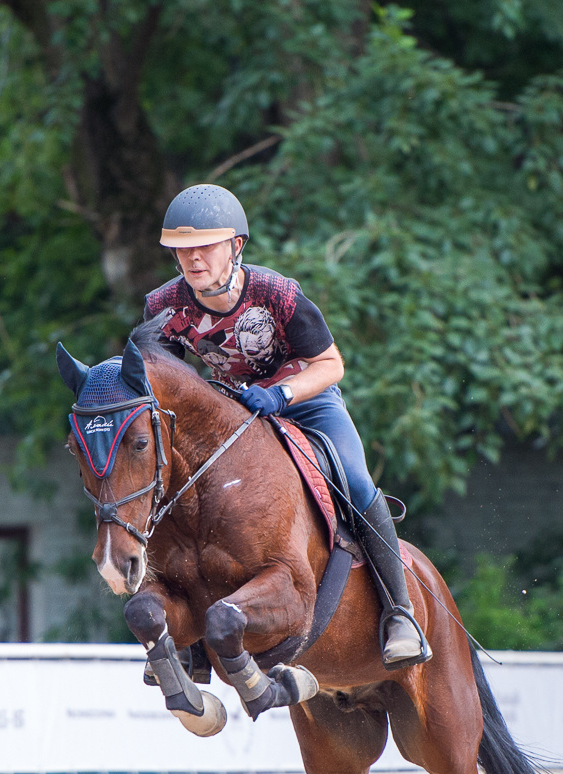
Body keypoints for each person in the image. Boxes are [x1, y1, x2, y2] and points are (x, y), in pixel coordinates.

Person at [143, 183, 430, 668]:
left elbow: (331, 364)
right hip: (231, 414)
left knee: (357, 483)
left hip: (305, 400)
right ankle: (187, 638)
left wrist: (280, 394)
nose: (193, 261)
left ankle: (400, 614)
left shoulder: (276, 293)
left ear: (236, 246)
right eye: (182, 251)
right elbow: (166, 386)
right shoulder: (163, 307)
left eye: (205, 248)